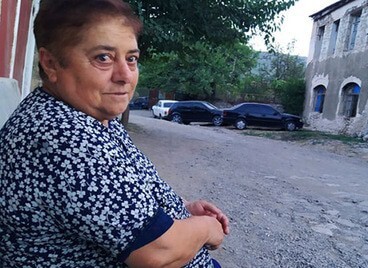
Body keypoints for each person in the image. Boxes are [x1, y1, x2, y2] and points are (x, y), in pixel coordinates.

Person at [0, 0, 229, 267]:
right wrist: (205, 228)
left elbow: (111, 200)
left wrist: (180, 209)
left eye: (131, 59)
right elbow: (158, 253)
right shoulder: (62, 137)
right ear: (51, 64)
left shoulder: (90, 115)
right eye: (103, 58)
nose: (125, 75)